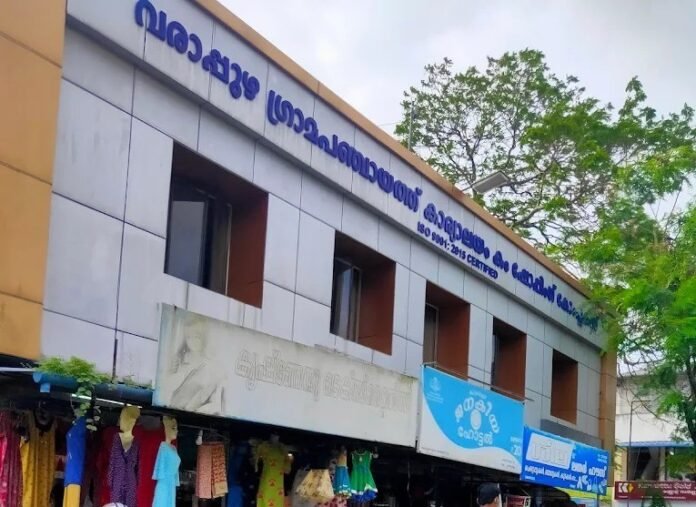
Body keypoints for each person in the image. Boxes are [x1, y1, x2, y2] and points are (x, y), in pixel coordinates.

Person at [165, 314, 226, 415]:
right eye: (188, 337)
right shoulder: (180, 359)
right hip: (177, 407)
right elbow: (170, 388)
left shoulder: (211, 365)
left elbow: (213, 399)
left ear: (204, 337)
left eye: (196, 337)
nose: (192, 341)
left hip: (195, 411)